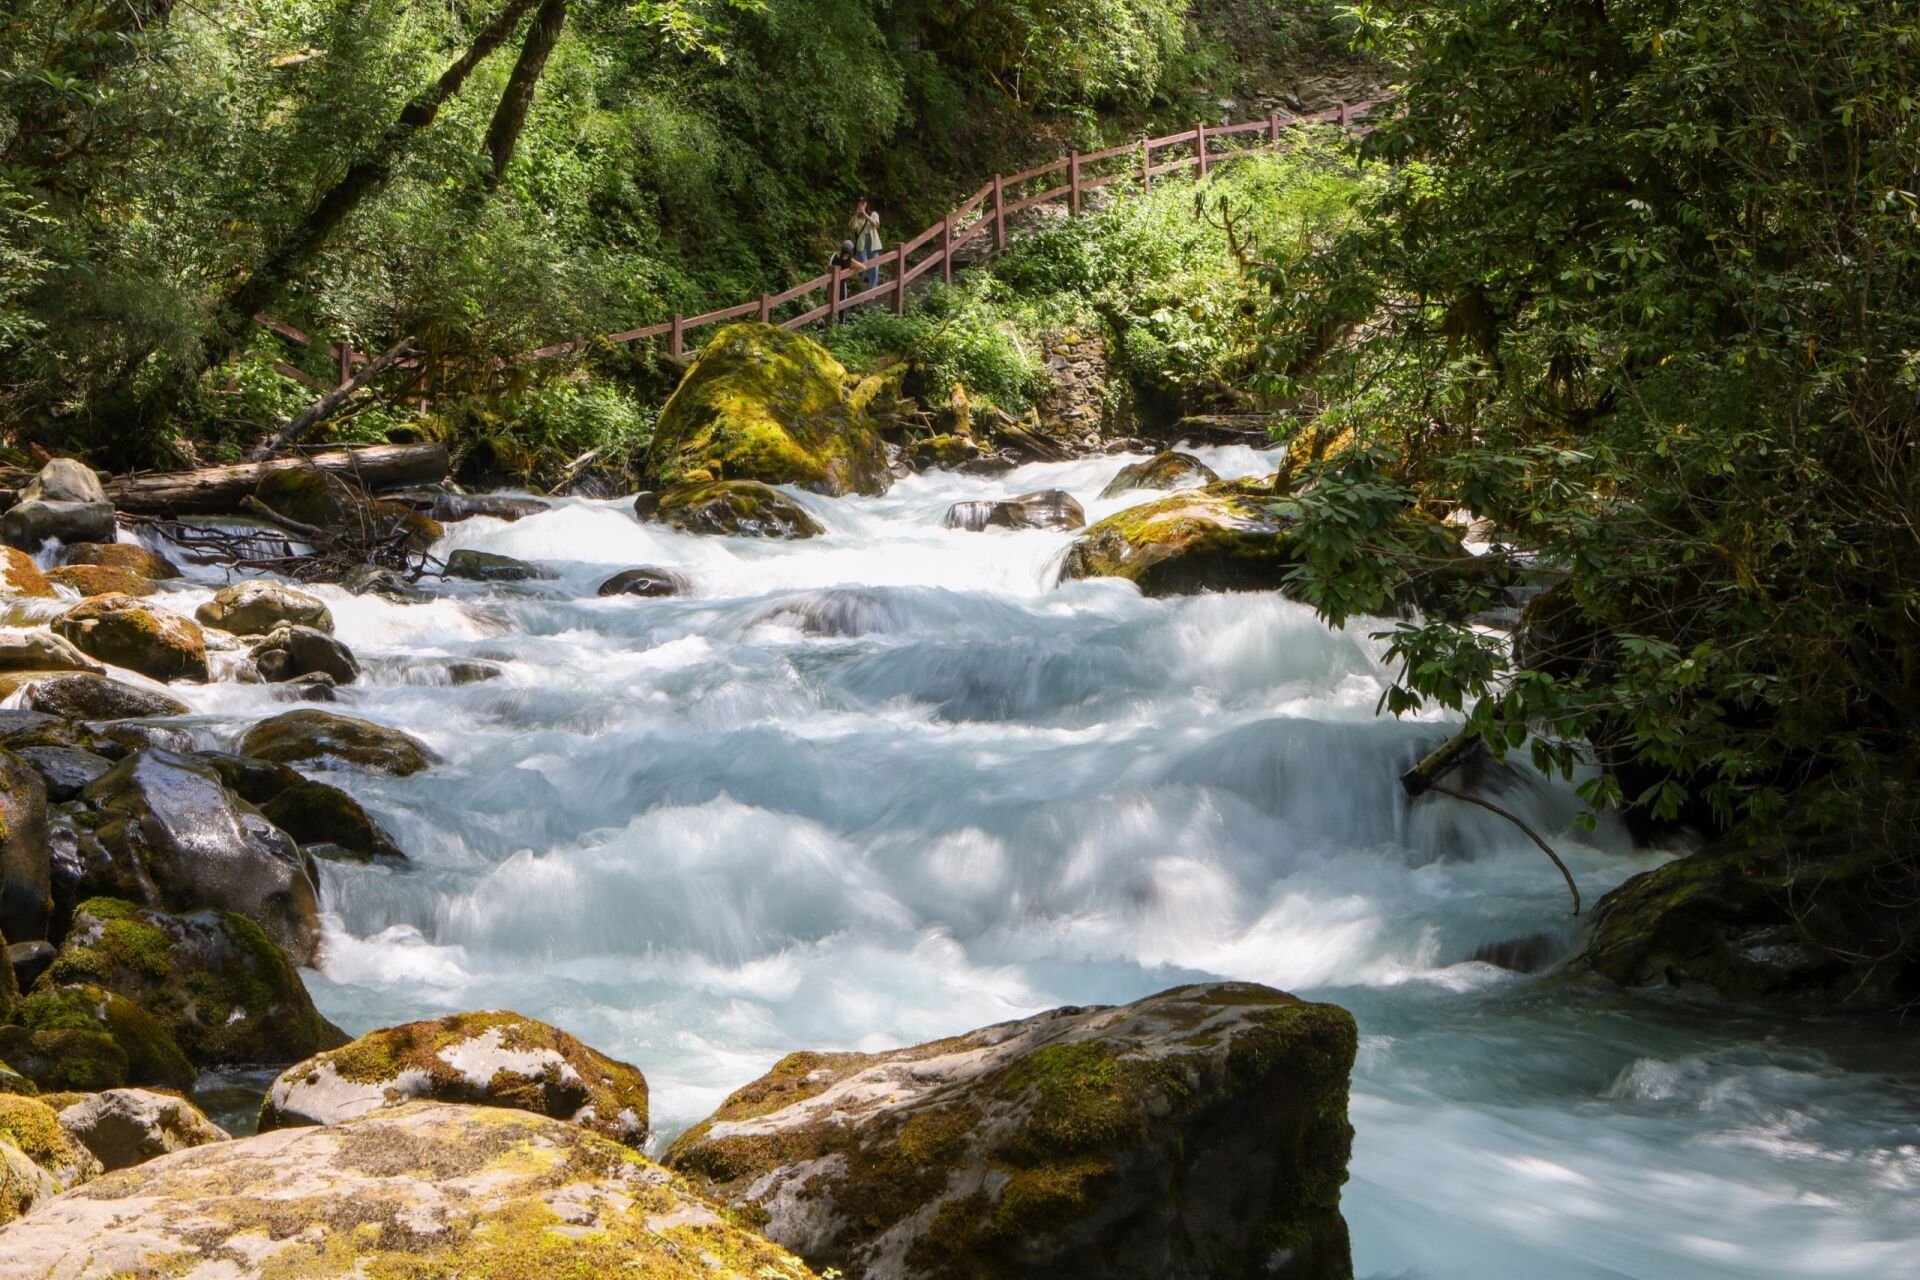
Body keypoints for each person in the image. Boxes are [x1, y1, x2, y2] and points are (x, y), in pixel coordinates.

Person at [847, 195, 882, 292]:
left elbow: (875, 224)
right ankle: (859, 286)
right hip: (861, 243)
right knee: (863, 264)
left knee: (874, 266)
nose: (861, 205)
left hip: (873, 242)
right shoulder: (856, 217)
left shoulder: (873, 214)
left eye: (863, 203)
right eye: (859, 203)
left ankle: (872, 290)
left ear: (866, 204)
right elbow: (853, 227)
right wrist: (856, 215)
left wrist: (865, 214)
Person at [828, 239, 858, 306]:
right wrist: (853, 271)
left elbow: (828, 268)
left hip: (832, 283)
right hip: (842, 284)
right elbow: (863, 267)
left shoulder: (835, 257)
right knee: (842, 304)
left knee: (831, 303)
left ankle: (833, 316)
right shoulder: (850, 261)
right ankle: (840, 317)